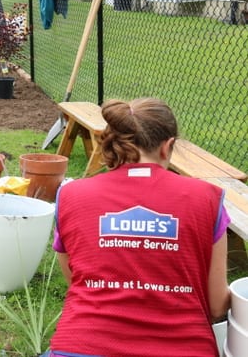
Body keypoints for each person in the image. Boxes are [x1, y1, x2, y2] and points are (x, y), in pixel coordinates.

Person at [47, 97, 231, 357]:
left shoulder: (71, 195)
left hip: (81, 346)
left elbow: (76, 280)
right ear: (168, 147)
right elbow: (216, 305)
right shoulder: (208, 199)